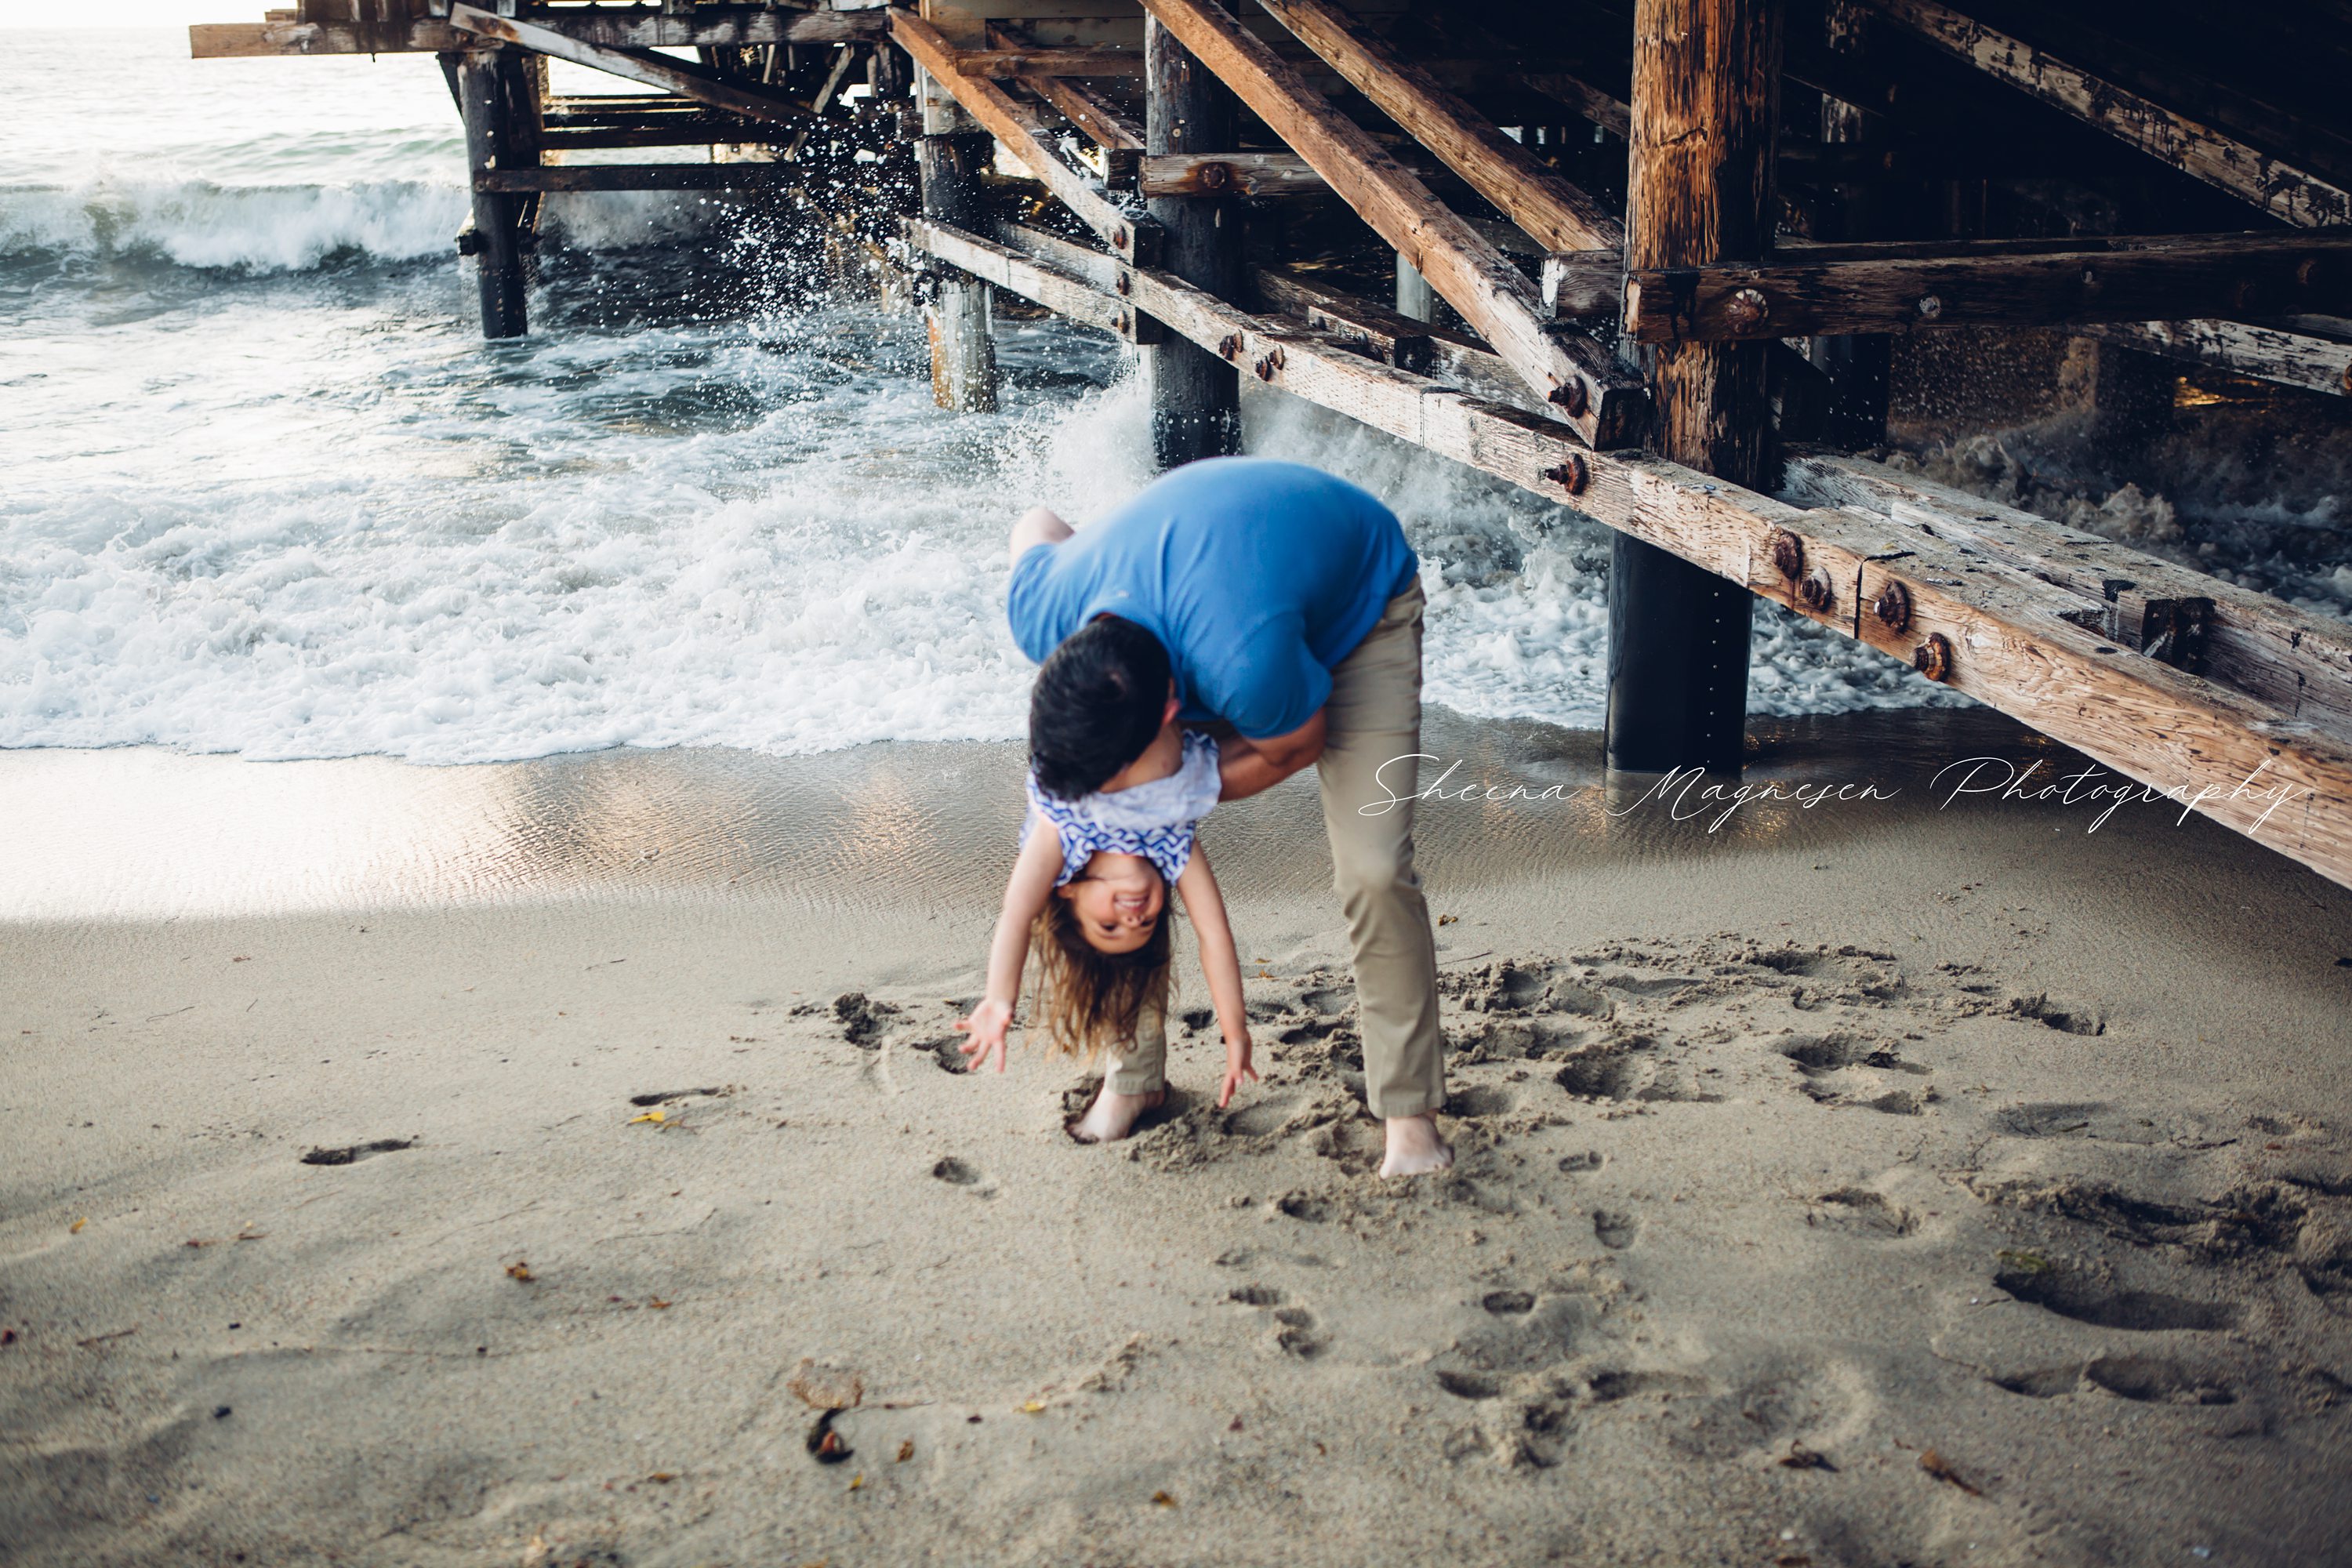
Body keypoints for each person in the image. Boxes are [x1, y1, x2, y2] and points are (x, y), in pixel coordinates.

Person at [982, 456, 1452, 1178]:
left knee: (1374, 869)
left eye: (1124, 783)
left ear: (1177, 712)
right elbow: (1036, 525)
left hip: (1357, 598)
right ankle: (1132, 1079)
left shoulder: (1245, 669)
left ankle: (1410, 1118)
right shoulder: (1044, 612)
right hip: (1217, 586)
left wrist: (1176, 799)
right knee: (1119, 862)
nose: (1113, 806)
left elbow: (1294, 745)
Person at [954, 639, 1257, 1141]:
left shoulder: (1062, 834)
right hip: (1168, 681)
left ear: (1069, 893)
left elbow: (1015, 915)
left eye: (1109, 925)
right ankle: (1136, 1083)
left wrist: (998, 999)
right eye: (1142, 925)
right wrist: (1235, 1032)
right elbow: (1214, 939)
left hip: (1097, 669)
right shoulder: (1172, 843)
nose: (1134, 917)